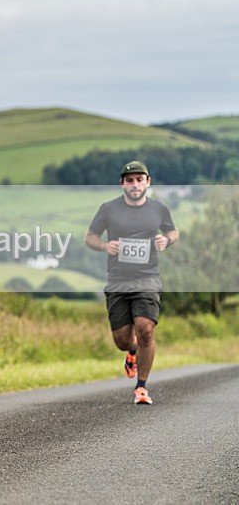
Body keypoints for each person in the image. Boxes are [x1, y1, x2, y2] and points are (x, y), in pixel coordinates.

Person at [85, 161, 178, 405]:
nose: (135, 184)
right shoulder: (108, 209)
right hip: (118, 280)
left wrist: (166, 241)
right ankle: (132, 352)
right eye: (130, 180)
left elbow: (173, 231)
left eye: (139, 179)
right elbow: (90, 237)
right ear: (122, 183)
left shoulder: (159, 209)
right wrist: (105, 245)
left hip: (147, 278)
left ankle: (141, 387)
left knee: (145, 328)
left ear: (148, 182)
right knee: (122, 340)